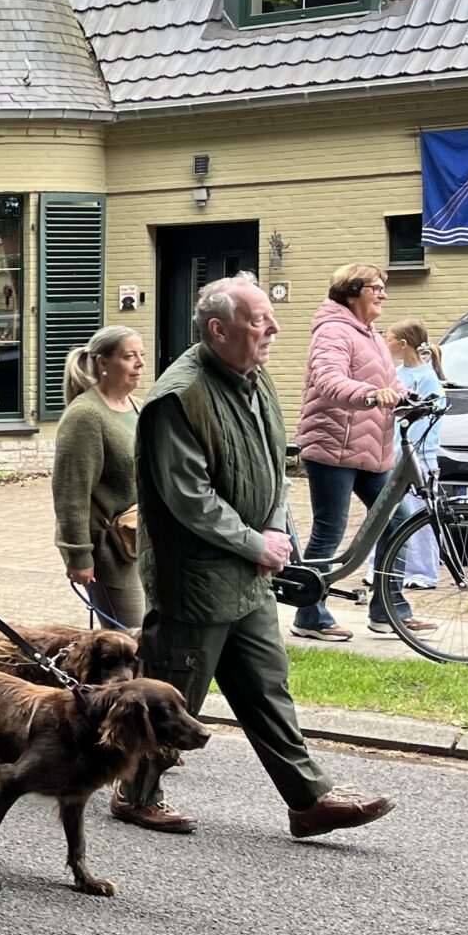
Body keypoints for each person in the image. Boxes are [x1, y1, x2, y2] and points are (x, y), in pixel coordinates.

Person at [113, 277, 395, 840]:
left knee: (267, 686)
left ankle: (308, 800)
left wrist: (274, 527)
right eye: (259, 320)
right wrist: (254, 541)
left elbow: (272, 460)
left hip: (247, 574)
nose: (273, 329)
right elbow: (187, 496)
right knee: (173, 694)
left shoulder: (255, 379)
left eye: (269, 317)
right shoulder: (178, 397)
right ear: (218, 330)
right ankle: (134, 791)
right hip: (194, 580)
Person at [290, 264, 420, 641]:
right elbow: (328, 380)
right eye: (375, 288)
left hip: (372, 449)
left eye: (384, 287)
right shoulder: (332, 331)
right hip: (333, 445)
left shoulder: (373, 335)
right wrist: (368, 395)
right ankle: (309, 615)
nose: (382, 293)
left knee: (399, 521)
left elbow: (390, 382)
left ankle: (388, 610)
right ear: (351, 292)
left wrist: (410, 397)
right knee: (330, 531)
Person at [53, 324, 147, 629]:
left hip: (142, 545)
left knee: (149, 638)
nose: (140, 364)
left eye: (141, 355)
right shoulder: (86, 416)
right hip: (111, 554)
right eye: (129, 356)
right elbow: (71, 496)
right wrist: (79, 556)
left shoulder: (136, 407)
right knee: (127, 644)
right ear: (103, 363)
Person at [383, 320, 446, 594]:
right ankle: (384, 567)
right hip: (393, 456)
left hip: (418, 457)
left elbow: (425, 422)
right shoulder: (396, 375)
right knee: (387, 513)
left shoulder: (427, 378)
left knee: (420, 515)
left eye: (389, 338)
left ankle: (423, 571)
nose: (385, 343)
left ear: (403, 343)